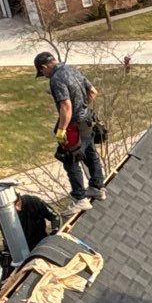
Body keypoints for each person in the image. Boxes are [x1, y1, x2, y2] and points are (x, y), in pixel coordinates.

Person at [35, 51, 106, 207]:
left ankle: (80, 198)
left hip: (73, 125)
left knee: (70, 159)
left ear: (44, 66)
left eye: (42, 72)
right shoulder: (71, 69)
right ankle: (97, 187)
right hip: (87, 121)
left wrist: (62, 129)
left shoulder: (55, 79)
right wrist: (83, 106)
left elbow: (66, 106)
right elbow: (93, 91)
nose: (44, 75)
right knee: (90, 153)